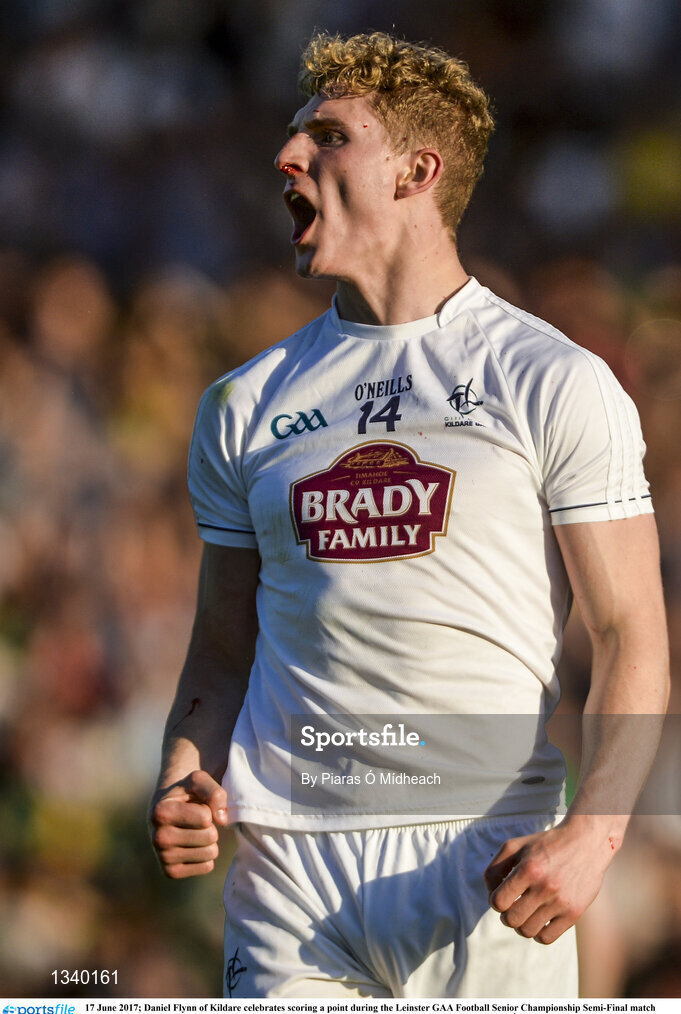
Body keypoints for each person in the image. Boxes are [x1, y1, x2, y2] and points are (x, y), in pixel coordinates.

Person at [149, 30, 669, 999]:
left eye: (329, 137)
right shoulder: (244, 403)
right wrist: (187, 770)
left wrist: (595, 837)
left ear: (415, 172)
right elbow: (222, 649)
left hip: (488, 867)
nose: (287, 159)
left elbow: (632, 631)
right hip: (289, 878)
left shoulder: (551, 380)